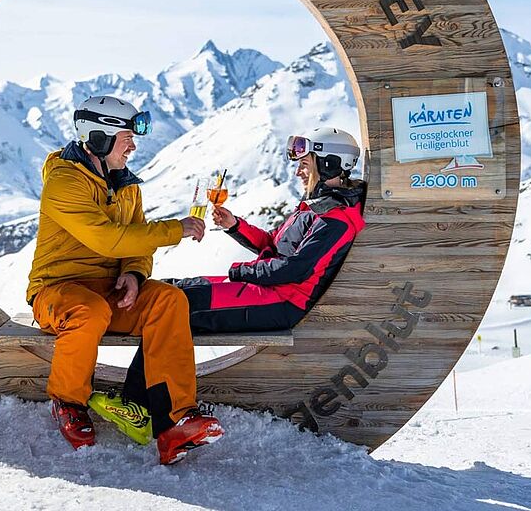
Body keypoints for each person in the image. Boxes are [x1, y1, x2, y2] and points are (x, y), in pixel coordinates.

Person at [116, 129, 366, 423]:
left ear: (330, 164)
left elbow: (295, 269)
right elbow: (273, 243)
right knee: (168, 291)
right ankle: (137, 398)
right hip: (267, 290)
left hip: (281, 301)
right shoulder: (316, 207)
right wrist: (235, 225)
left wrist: (240, 271)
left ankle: (136, 404)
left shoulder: (336, 220)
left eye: (305, 164)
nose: (298, 172)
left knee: (176, 305)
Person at [28, 95, 224, 464]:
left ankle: (175, 423)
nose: (133, 146)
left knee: (169, 300)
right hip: (56, 291)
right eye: (126, 138)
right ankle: (68, 402)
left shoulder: (127, 186)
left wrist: (134, 273)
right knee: (90, 311)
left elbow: (135, 243)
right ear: (99, 139)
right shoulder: (64, 181)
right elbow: (107, 239)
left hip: (109, 292)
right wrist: (175, 229)